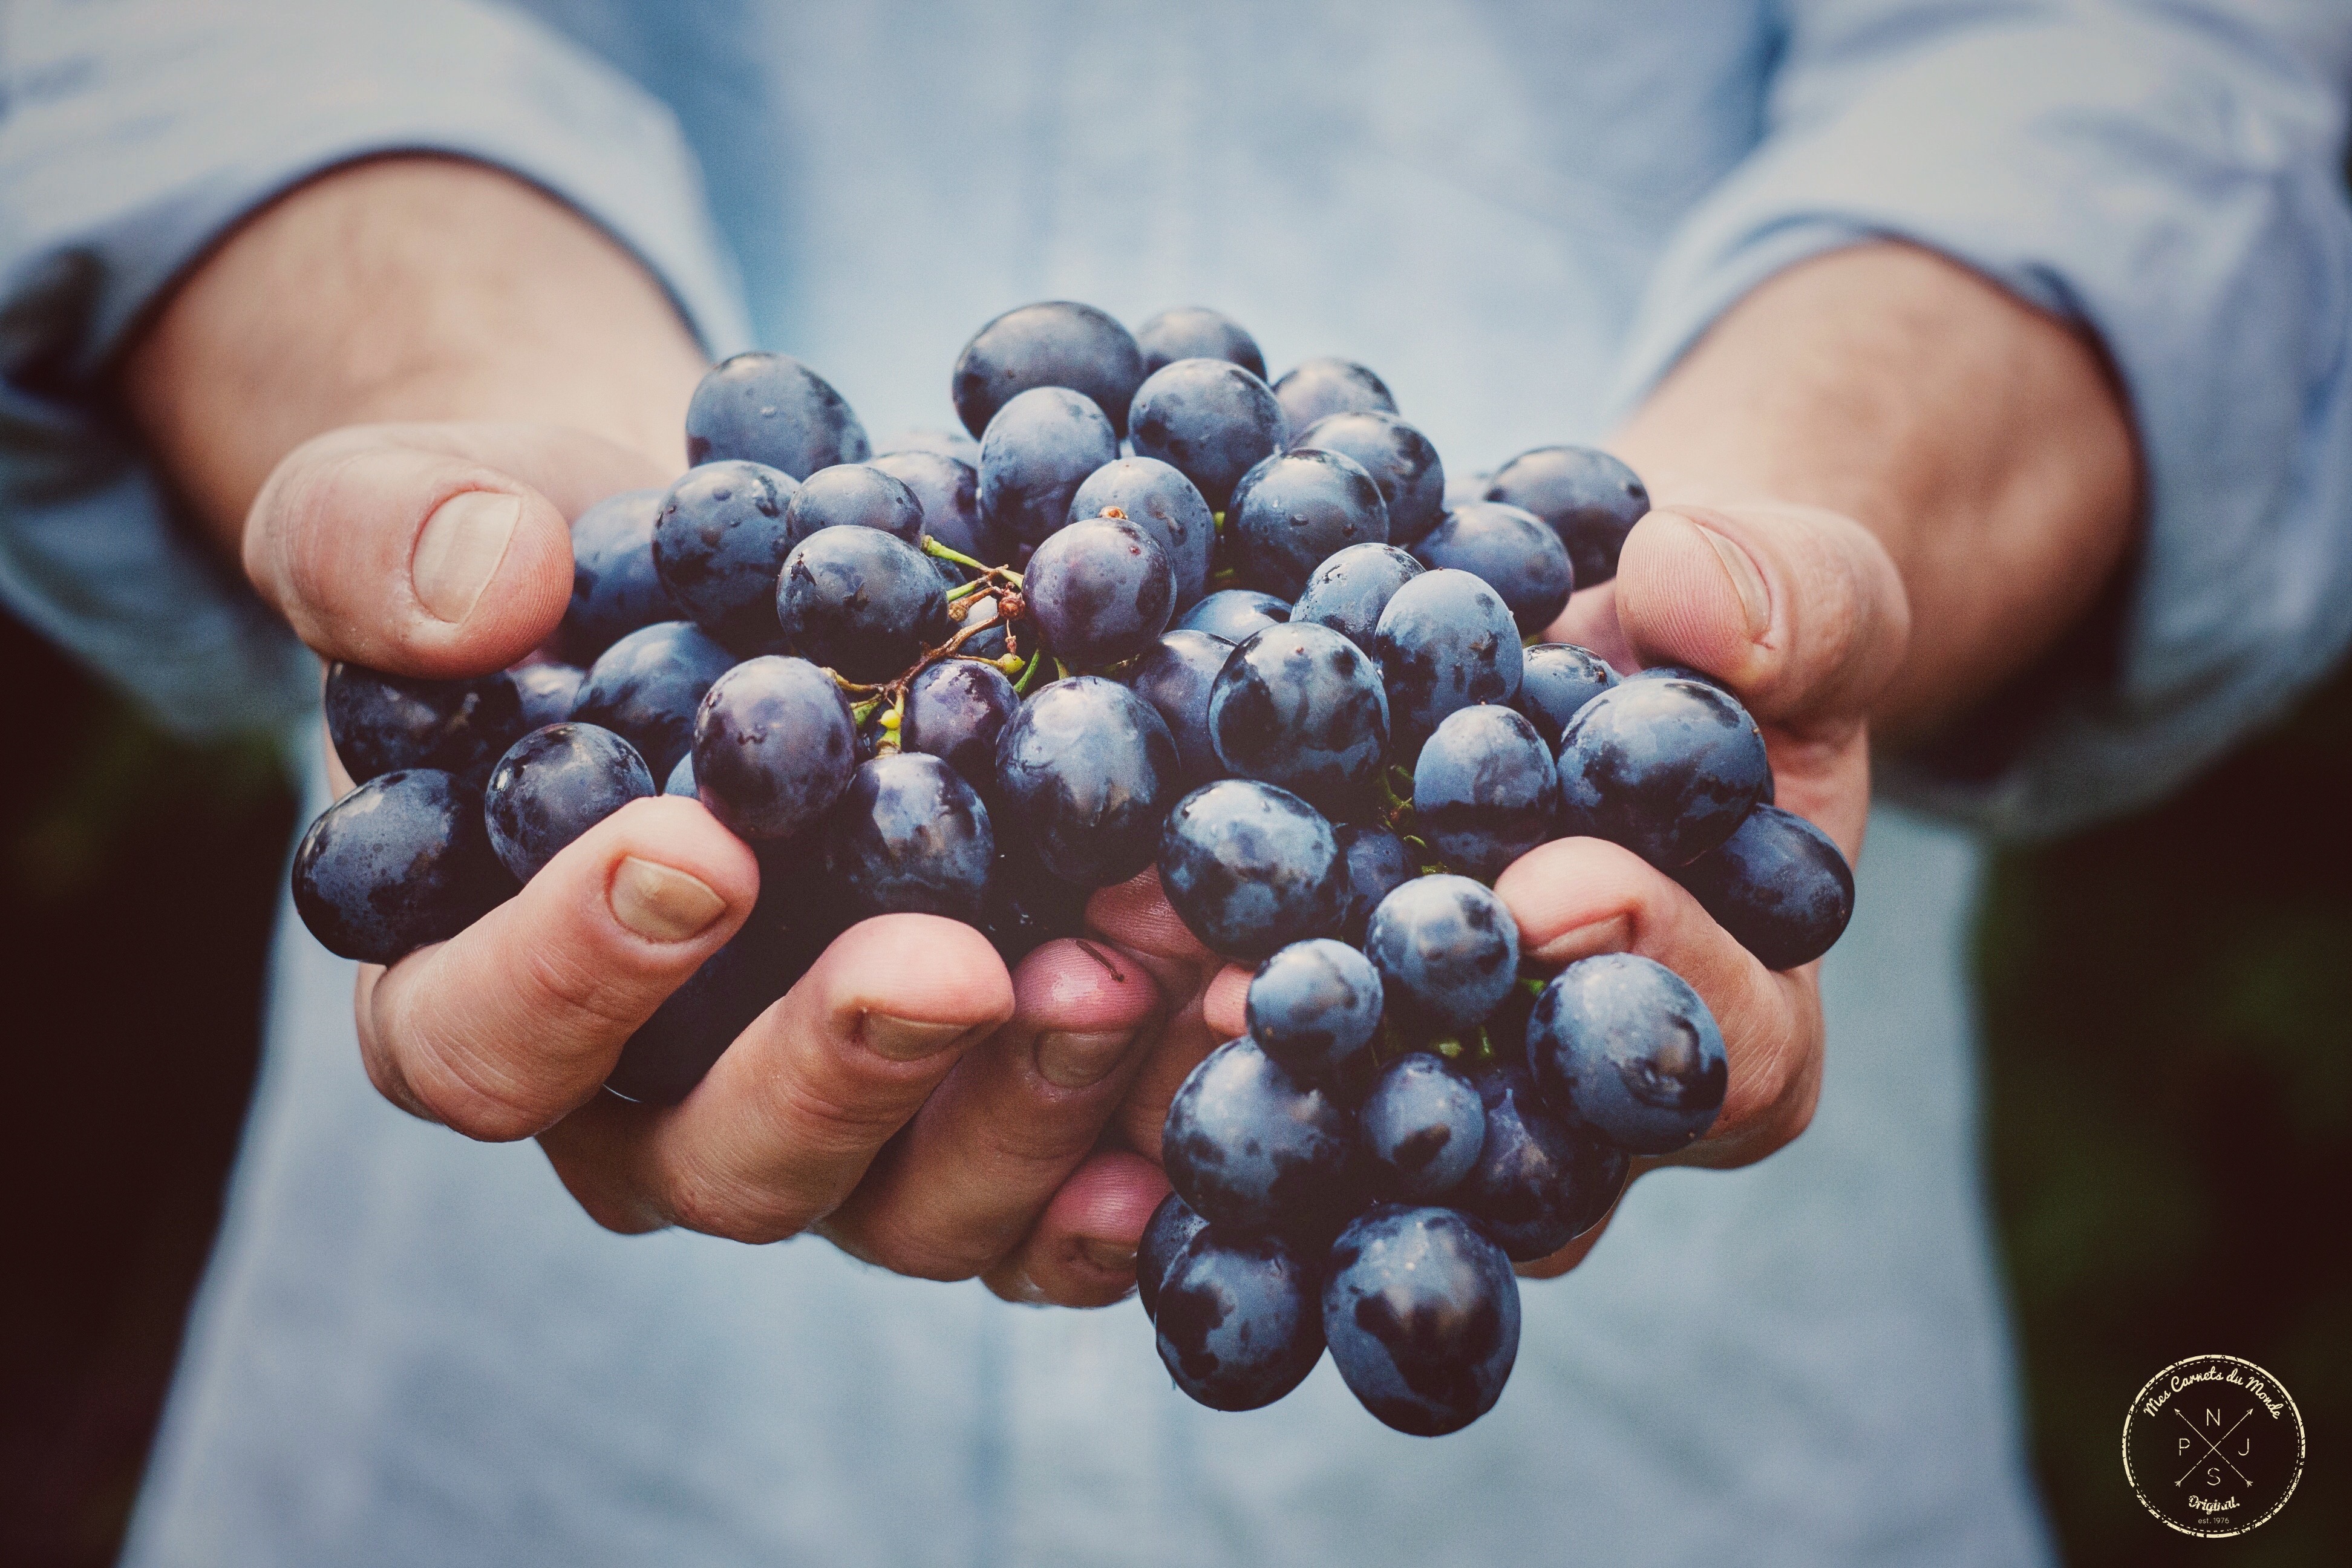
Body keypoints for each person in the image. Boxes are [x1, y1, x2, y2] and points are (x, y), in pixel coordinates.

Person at [5, 2, 2349, 1563]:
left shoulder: (1467, 796)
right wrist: (470, 445)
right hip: (507, 1450)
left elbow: (2151, 74)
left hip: (1694, 1456)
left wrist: (1776, 535)